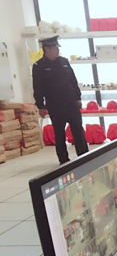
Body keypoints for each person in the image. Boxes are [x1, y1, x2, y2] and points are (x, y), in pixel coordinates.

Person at [33, 36, 88, 164]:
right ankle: (64, 160)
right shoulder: (39, 66)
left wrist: (78, 97)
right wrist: (40, 105)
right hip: (55, 105)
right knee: (59, 134)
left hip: (71, 103)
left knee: (78, 131)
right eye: (55, 47)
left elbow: (73, 81)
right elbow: (38, 87)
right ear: (47, 49)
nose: (58, 50)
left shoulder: (64, 62)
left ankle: (84, 156)